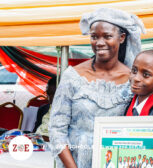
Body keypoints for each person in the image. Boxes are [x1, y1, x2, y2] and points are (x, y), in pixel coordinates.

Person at [49, 8, 145, 168]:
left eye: (107, 36)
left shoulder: (132, 80)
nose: (99, 43)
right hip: (74, 163)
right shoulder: (73, 77)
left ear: (121, 38)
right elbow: (56, 129)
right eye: (94, 37)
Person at [33, 76, 57, 142]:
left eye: (54, 94)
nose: (50, 98)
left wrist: (42, 138)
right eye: (48, 94)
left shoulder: (69, 112)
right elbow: (35, 131)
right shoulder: (43, 109)